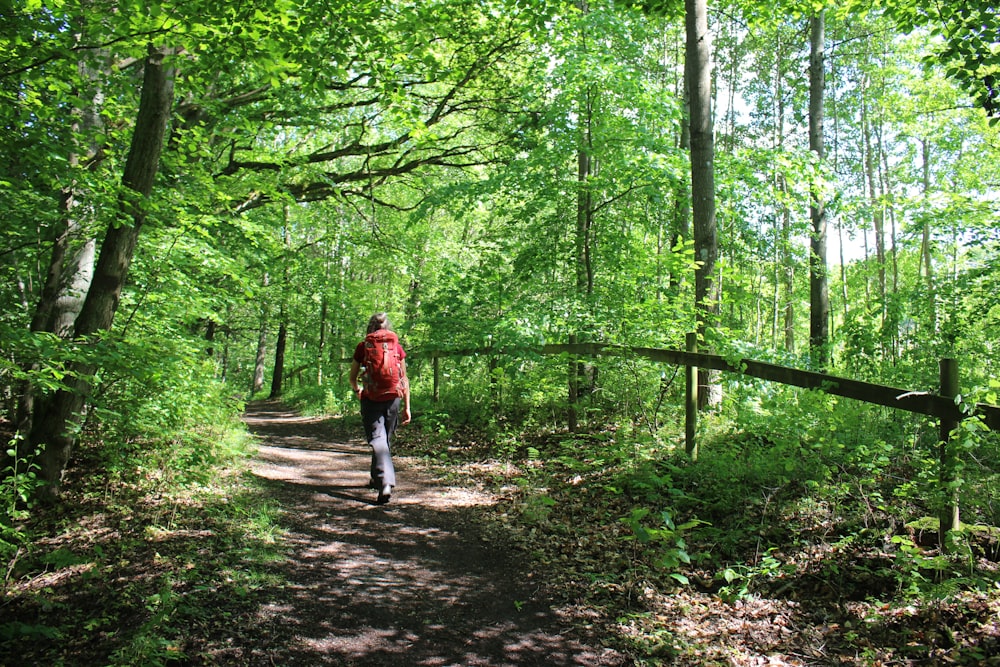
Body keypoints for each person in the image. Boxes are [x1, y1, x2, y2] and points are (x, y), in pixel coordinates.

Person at [349, 312, 411, 504]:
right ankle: (377, 478)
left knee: (378, 440)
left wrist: (358, 389)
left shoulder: (363, 347)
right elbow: (404, 378)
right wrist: (407, 406)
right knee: (384, 440)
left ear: (370, 327)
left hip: (371, 398)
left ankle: (385, 482)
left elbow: (352, 377)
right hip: (394, 397)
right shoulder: (396, 348)